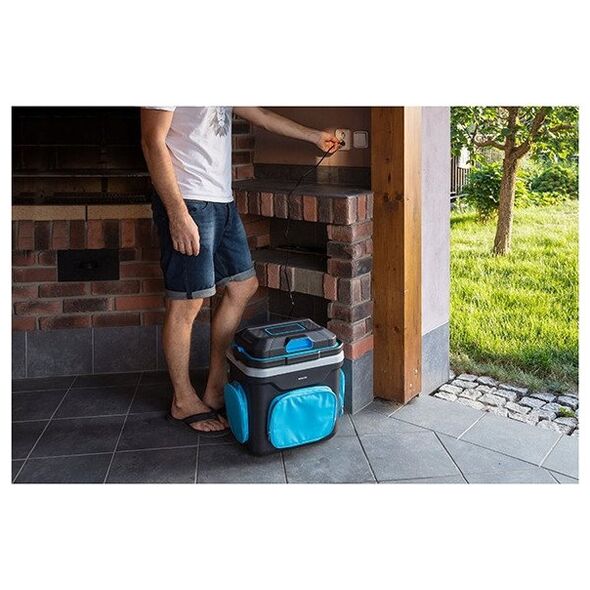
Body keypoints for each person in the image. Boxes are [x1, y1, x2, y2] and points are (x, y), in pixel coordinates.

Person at [141, 107, 341, 434]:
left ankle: (215, 387)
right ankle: (183, 400)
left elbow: (260, 115)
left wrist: (313, 136)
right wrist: (177, 214)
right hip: (188, 199)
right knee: (187, 303)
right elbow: (152, 141)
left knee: (242, 286)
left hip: (221, 201)